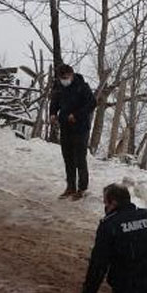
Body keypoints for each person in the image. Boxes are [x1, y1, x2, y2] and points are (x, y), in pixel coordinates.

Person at [49, 64, 95, 200]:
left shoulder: (82, 86)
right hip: (65, 127)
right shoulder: (58, 86)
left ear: (72, 75)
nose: (64, 80)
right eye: (62, 78)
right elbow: (54, 101)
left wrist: (76, 115)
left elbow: (92, 103)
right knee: (67, 157)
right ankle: (70, 187)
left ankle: (82, 188)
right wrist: (52, 113)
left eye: (66, 77)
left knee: (80, 158)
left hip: (80, 127)